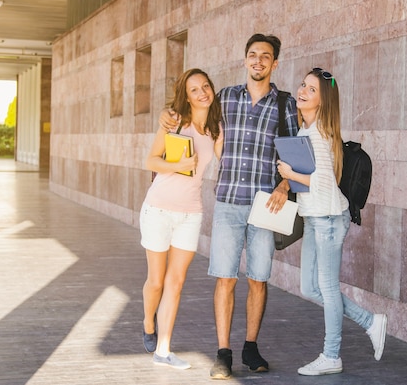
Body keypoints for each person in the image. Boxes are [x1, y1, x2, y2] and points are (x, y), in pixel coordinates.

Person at [160, 34, 299, 379]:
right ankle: (223, 353)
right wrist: (169, 113)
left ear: (274, 64)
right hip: (228, 203)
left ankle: (251, 347)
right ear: (245, 59)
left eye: (265, 57)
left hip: (265, 205)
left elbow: (295, 158)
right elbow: (191, 113)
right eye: (252, 55)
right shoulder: (225, 98)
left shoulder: (285, 105)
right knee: (225, 278)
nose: (258, 61)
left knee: (258, 279)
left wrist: (285, 185)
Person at [276, 68, 388, 376]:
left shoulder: (319, 133)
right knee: (311, 287)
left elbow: (323, 183)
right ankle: (370, 322)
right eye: (303, 85)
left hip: (327, 219)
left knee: (325, 286)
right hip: (316, 218)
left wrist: (290, 175)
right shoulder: (305, 131)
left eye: (312, 90)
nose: (302, 91)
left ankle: (331, 354)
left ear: (323, 102)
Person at [141, 68, 223, 370]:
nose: (202, 93)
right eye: (194, 90)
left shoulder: (215, 130)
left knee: (176, 282)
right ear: (186, 98)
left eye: (205, 86)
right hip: (158, 209)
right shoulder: (174, 122)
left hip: (190, 213)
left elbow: (225, 157)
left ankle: (163, 349)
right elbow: (150, 161)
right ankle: (147, 320)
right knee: (156, 281)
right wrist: (177, 165)